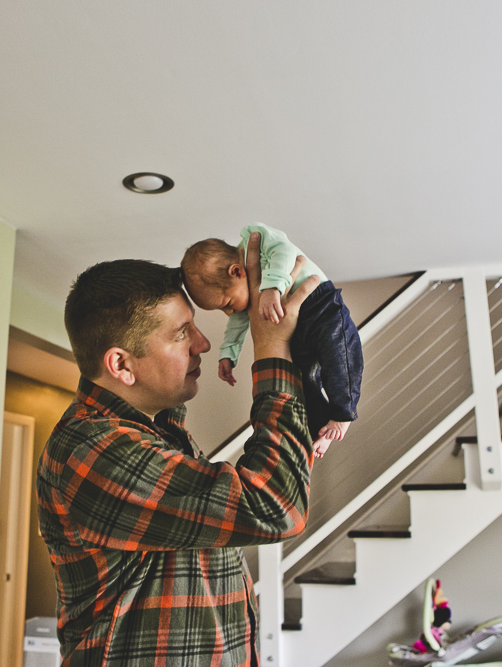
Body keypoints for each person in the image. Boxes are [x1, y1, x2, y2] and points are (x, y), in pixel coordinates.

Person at [37, 233, 319, 666]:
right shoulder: (92, 448)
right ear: (121, 365)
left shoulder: (161, 430)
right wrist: (272, 349)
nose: (204, 344)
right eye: (181, 333)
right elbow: (274, 505)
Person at [180, 222, 363, 457]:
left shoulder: (258, 239)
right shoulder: (243, 293)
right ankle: (320, 430)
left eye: (226, 304)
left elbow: (286, 252)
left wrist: (272, 288)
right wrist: (228, 353)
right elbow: (238, 321)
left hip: (321, 306)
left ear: (237, 272)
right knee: (303, 382)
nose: (228, 313)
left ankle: (343, 414)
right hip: (296, 331)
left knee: (340, 355)